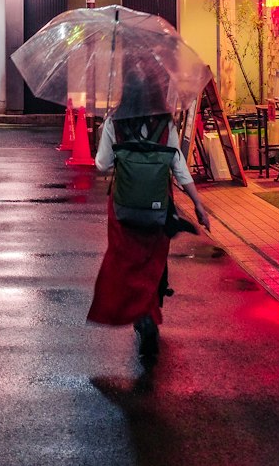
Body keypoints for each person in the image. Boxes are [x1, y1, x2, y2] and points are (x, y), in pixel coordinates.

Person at [88, 99, 210, 362]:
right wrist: (198, 204)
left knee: (125, 262)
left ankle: (141, 316)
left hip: (124, 206)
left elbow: (102, 164)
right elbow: (179, 168)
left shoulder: (114, 121)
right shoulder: (166, 123)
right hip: (158, 205)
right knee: (152, 263)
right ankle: (149, 314)